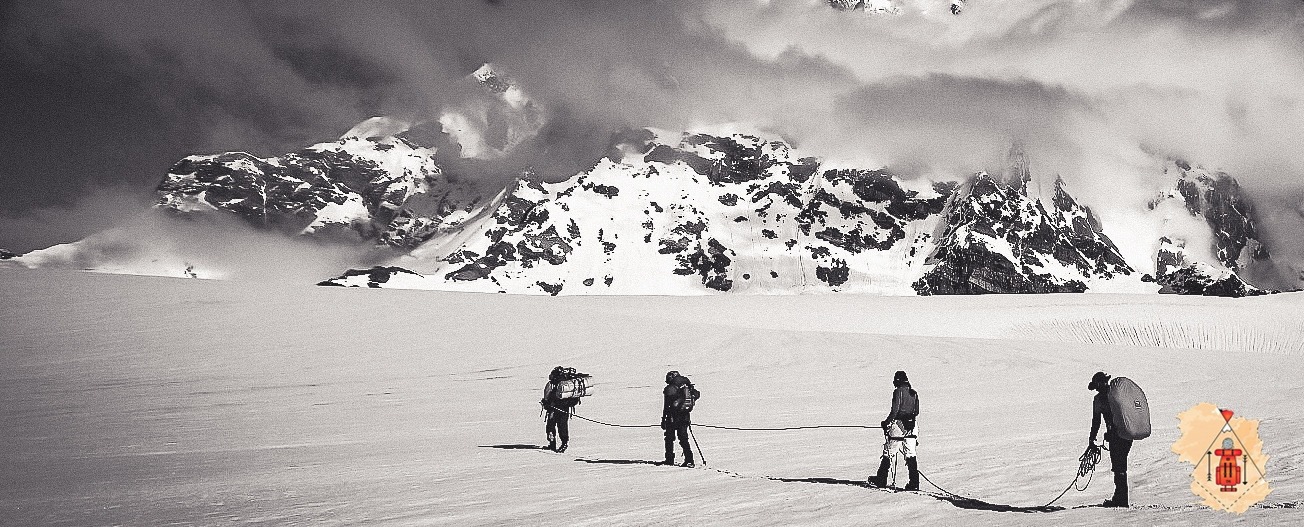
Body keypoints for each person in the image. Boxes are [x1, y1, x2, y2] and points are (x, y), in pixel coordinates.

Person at [869, 370, 920, 490]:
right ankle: (914, 483)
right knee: (911, 454)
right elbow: (916, 411)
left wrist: (886, 423)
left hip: (898, 425)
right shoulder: (914, 393)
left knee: (889, 451)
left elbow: (895, 410)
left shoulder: (898, 392)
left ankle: (881, 479)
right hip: (912, 426)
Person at [1089, 371, 1131, 507]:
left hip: (1116, 436)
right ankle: (1120, 497)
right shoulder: (1117, 395)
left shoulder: (1099, 399)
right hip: (1126, 435)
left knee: (1118, 466)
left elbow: (1096, 421)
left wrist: (1092, 439)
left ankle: (1121, 499)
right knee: (1121, 466)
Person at [661, 370, 698, 467]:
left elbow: (667, 405)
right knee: (683, 438)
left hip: (673, 416)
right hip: (685, 415)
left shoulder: (671, 388)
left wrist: (664, 419)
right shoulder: (687, 385)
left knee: (669, 438)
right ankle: (689, 459)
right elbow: (697, 394)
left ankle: (669, 459)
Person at [540, 366, 580, 452]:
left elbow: (547, 397)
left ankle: (552, 444)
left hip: (554, 409)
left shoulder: (552, 384)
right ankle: (563, 443)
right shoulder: (565, 383)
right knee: (562, 426)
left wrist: (546, 404)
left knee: (551, 426)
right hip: (564, 408)